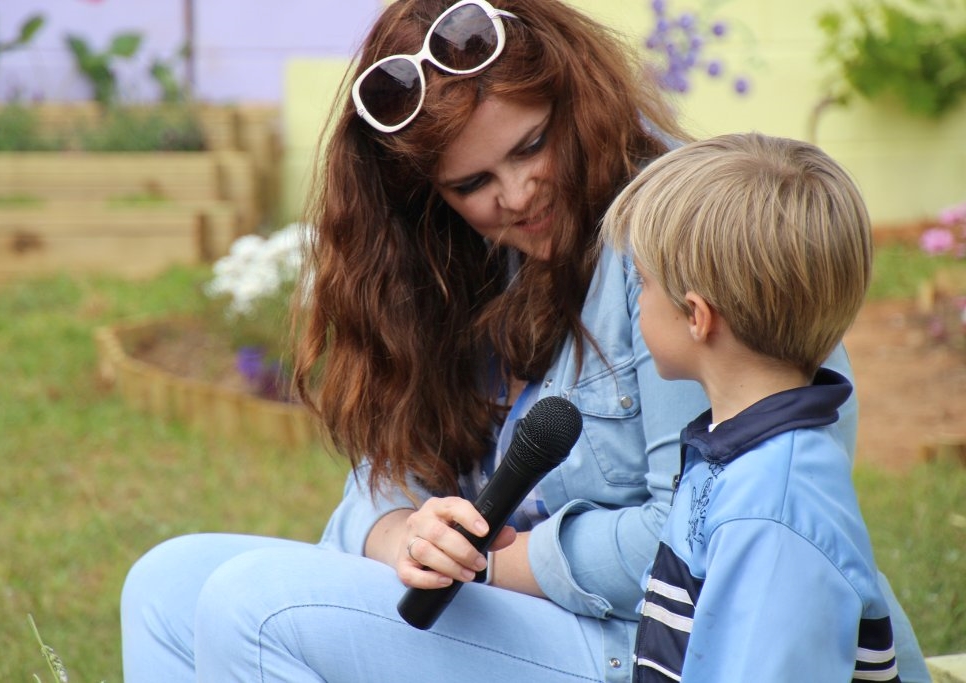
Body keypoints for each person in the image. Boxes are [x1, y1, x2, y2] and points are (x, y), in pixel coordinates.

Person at [119, 1, 930, 681]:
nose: (515, 195)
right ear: (427, 197)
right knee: (164, 583)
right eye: (471, 184)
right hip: (517, 608)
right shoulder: (456, 259)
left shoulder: (687, 241)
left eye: (530, 145)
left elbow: (704, 530)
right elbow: (392, 469)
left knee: (254, 607)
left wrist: (501, 562)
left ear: (574, 96)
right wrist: (401, 533)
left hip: (642, 643)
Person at [602, 132, 905, 682]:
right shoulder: (737, 455)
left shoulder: (771, 513)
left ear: (696, 316)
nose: (636, 300)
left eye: (641, 282)